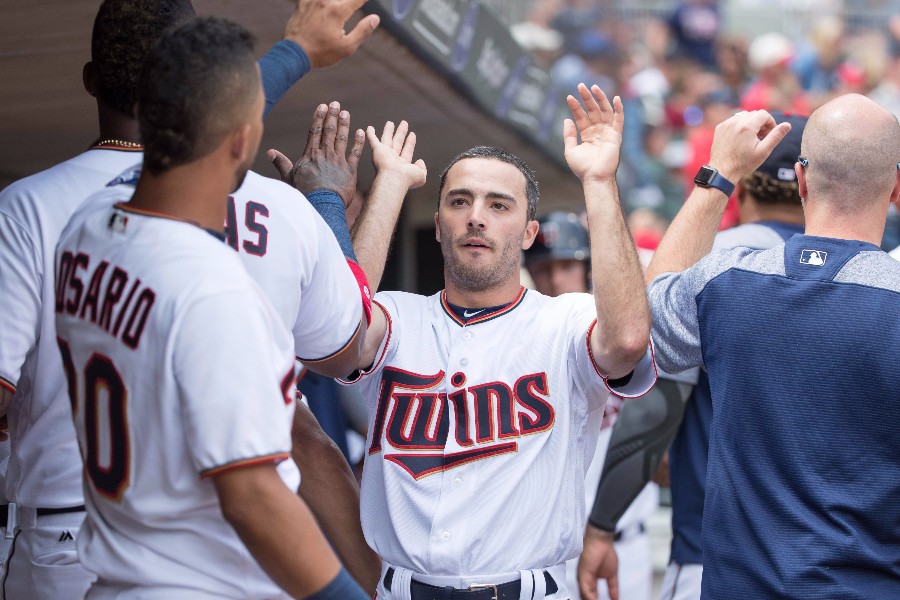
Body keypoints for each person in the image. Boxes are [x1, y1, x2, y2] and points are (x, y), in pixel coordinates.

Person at [0, 0, 379, 597]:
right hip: (205, 577)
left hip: (99, 560)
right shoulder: (213, 292)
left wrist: (292, 55)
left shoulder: (86, 225)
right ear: (242, 140)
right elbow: (254, 499)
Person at [280, 83, 657, 599]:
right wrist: (389, 184)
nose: (476, 215)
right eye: (460, 201)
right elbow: (341, 329)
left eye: (499, 204)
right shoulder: (397, 317)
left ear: (528, 233)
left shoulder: (565, 321)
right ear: (438, 226)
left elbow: (628, 340)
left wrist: (598, 181)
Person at [646, 96, 900, 598]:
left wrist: (720, 173)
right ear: (895, 189)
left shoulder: (726, 279)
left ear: (802, 180)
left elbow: (643, 324)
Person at [578, 112, 809, 600]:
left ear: (744, 186)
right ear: (809, 187)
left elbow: (655, 405)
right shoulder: (868, 272)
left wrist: (601, 525)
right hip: (831, 564)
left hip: (718, 558)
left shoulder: (712, 262)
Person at [523, 211, 657, 600]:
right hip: (546, 554)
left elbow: (660, 273)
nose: (555, 279)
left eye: (566, 264)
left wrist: (609, 233)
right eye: (544, 267)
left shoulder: (621, 336)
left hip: (624, 541)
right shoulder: (525, 338)